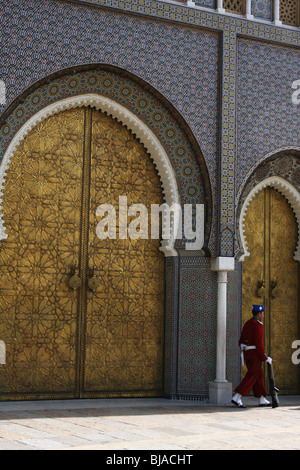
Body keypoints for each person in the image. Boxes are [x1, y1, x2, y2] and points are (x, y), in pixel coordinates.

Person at [232, 305, 272, 408]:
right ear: (259, 314)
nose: (263, 315)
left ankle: (262, 398)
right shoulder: (258, 325)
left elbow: (241, 340)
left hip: (247, 354)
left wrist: (242, 345)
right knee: (251, 376)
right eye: (262, 313)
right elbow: (259, 344)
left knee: (259, 376)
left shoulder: (247, 323)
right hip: (255, 355)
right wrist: (265, 357)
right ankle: (237, 396)